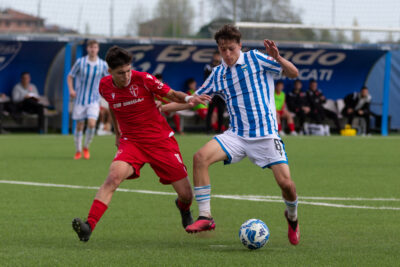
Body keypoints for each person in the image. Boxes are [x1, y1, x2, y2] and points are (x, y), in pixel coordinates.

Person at [163, 25, 300, 245]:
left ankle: (292, 218)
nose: (227, 54)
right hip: (236, 135)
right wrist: (159, 109)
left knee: (287, 185)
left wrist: (279, 58)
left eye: (231, 49)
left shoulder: (256, 59)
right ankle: (206, 216)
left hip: (266, 135)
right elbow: (192, 99)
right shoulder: (218, 74)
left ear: (240, 46)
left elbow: (294, 73)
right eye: (223, 49)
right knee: (200, 157)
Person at [71, 46, 211, 242]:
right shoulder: (104, 86)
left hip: (160, 141)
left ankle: (183, 207)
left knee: (187, 194)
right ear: (110, 72)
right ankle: (88, 226)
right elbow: (113, 106)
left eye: (129, 70)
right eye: (121, 73)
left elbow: (171, 94)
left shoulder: (144, 79)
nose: (127, 76)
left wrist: (189, 97)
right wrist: (117, 132)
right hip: (132, 142)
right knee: (113, 177)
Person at [67, 39, 108, 160]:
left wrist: (106, 92)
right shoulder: (80, 62)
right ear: (87, 49)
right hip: (80, 99)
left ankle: (86, 147)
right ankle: (78, 150)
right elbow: (70, 76)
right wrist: (71, 90)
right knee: (79, 125)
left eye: (95, 47)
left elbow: (108, 80)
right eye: (91, 47)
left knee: (91, 123)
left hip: (94, 99)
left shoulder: (103, 64)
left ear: (98, 49)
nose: (93, 49)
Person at [204, 51, 226, 133]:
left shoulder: (224, 66)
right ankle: (208, 129)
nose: (217, 57)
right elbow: (206, 80)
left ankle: (219, 130)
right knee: (210, 112)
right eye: (216, 56)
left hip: (221, 94)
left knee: (221, 112)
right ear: (213, 56)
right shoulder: (208, 67)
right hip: (212, 93)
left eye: (218, 56)